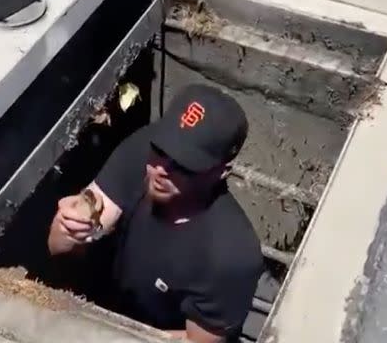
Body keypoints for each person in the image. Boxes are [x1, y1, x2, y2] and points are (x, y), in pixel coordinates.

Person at [47, 84, 263, 343]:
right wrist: (69, 229)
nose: (161, 169)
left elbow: (198, 341)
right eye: (162, 149)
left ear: (221, 171)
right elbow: (64, 246)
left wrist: (109, 336)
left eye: (183, 163)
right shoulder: (143, 152)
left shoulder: (231, 255)